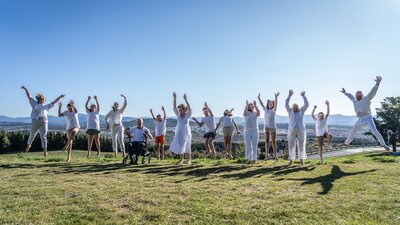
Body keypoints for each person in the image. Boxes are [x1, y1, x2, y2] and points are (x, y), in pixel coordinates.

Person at [340, 76, 390, 151]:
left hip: (368, 118)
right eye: (357, 95)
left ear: (362, 95)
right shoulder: (354, 100)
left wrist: (377, 84)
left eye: (359, 95)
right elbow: (350, 96)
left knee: (374, 130)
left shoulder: (366, 99)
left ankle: (384, 145)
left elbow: (372, 92)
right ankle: (346, 143)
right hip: (360, 119)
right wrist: (345, 93)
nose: (358, 96)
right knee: (354, 129)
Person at [21, 85, 65, 156]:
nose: (43, 100)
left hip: (43, 122)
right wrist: (25, 89)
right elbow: (29, 96)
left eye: (43, 99)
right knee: (32, 135)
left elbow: (54, 102)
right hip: (35, 121)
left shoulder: (46, 106)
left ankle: (45, 151)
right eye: (41, 99)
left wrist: (60, 97)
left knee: (43, 136)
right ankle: (28, 146)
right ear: (39, 99)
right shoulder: (34, 103)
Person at [285, 90, 309, 166]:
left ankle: (301, 160)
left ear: (298, 107)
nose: (295, 108)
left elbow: (307, 104)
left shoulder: (301, 110)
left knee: (301, 145)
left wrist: (303, 96)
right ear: (292, 107)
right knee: (291, 145)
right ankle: (291, 160)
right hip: (291, 130)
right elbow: (286, 104)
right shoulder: (290, 111)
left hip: (301, 130)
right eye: (294, 107)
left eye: (296, 107)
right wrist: (289, 95)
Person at [169, 92, 193, 165]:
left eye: (181, 109)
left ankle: (189, 160)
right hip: (179, 132)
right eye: (179, 109)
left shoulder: (187, 115)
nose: (179, 110)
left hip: (186, 132)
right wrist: (174, 98)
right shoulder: (178, 115)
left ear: (184, 109)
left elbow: (190, 108)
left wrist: (186, 99)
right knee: (180, 145)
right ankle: (181, 160)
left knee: (188, 145)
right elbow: (174, 107)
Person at [258, 92, 280, 161]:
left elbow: (276, 104)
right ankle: (266, 156)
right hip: (266, 127)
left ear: (272, 105)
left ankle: (275, 155)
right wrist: (259, 98)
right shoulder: (265, 109)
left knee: (273, 141)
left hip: (273, 127)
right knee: (267, 141)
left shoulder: (273, 110)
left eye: (271, 104)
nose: (270, 105)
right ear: (267, 104)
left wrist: (276, 97)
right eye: (269, 104)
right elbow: (261, 104)